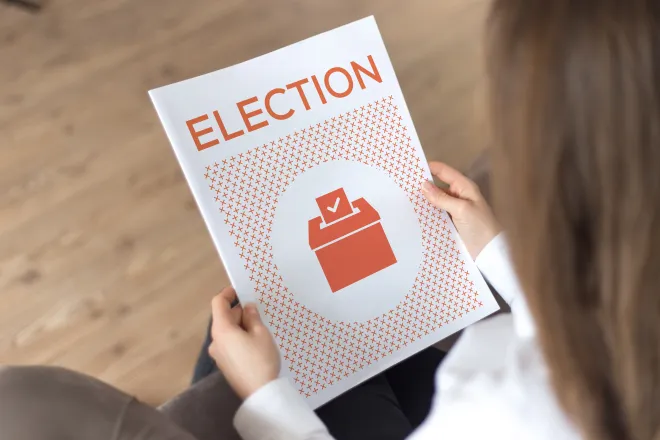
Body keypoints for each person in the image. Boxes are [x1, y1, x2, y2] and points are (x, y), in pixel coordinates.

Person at [208, 1, 660, 440]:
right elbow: (596, 328)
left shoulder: (502, 404)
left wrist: (265, 399)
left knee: (261, 334)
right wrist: (495, 252)